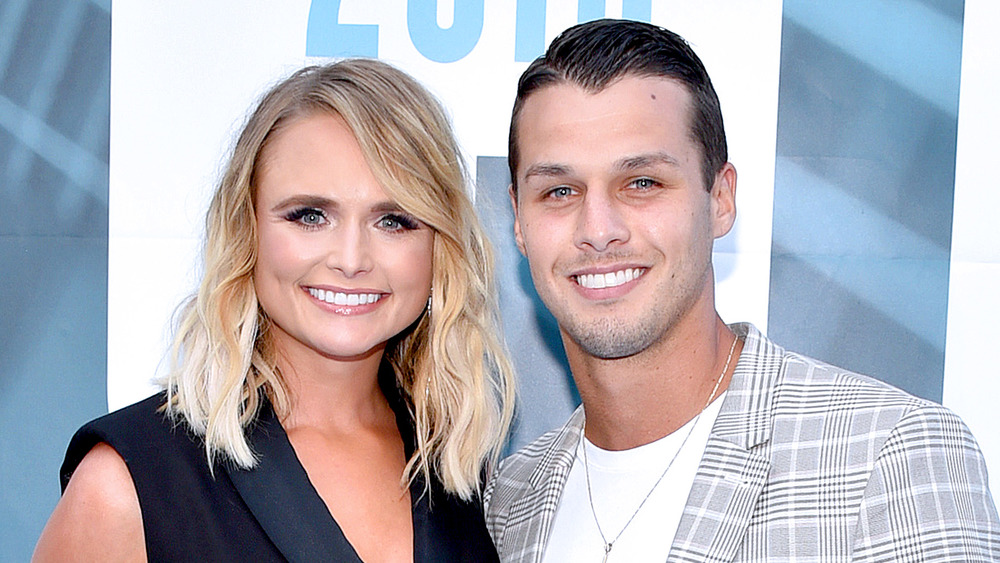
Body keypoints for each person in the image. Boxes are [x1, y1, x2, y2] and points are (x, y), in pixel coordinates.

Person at [484, 18, 1000, 562]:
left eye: (642, 183)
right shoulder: (511, 501)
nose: (598, 229)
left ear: (720, 199)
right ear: (519, 220)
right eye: (560, 191)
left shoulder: (888, 456)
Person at [34, 58, 515, 562]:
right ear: (248, 230)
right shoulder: (128, 484)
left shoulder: (460, 475)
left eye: (394, 220)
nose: (351, 260)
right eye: (310, 216)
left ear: (440, 247)